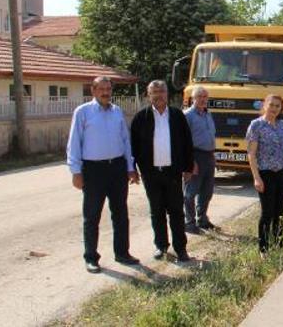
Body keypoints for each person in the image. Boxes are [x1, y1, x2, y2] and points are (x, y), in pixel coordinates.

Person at [66, 76, 140, 273]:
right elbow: (74, 143)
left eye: (108, 88)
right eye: (102, 89)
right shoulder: (83, 112)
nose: (106, 92)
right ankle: (91, 258)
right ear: (93, 90)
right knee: (92, 216)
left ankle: (122, 253)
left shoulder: (117, 112)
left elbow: (125, 141)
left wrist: (130, 167)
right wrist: (76, 171)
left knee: (121, 214)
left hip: (116, 168)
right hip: (93, 170)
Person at [130, 80, 194, 262]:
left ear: (167, 94)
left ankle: (181, 248)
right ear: (148, 95)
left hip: (172, 172)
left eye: (161, 91)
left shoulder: (177, 116)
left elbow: (187, 142)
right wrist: (132, 169)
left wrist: (188, 167)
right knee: (156, 210)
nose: (158, 95)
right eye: (154, 92)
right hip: (151, 173)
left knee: (176, 211)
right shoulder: (140, 118)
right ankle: (161, 245)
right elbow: (133, 146)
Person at [246, 94, 283, 253]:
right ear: (265, 105)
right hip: (266, 173)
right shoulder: (256, 125)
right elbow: (251, 154)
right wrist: (256, 178)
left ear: (281, 109)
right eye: (271, 105)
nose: (274, 108)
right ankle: (263, 248)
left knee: (280, 211)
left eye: (277, 106)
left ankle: (279, 244)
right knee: (267, 212)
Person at [183, 86, 217, 234]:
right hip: (195, 156)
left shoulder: (208, 114)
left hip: (209, 156)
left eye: (205, 96)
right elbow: (183, 141)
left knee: (207, 191)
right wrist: (190, 161)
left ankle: (202, 219)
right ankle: (189, 222)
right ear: (193, 98)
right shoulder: (188, 116)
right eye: (200, 96)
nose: (203, 99)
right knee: (191, 192)